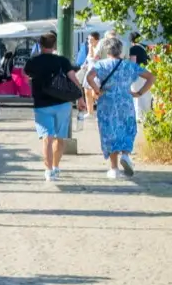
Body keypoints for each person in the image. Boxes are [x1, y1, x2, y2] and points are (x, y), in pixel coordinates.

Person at [85, 37, 155, 179]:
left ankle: (114, 168)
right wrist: (139, 93)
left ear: (107, 50)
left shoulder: (101, 65)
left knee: (109, 131)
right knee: (127, 127)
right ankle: (126, 155)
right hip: (125, 101)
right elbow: (150, 77)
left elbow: (89, 77)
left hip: (107, 103)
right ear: (121, 51)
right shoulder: (129, 66)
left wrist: (97, 90)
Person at [24, 32, 78, 181]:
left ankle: (48, 171)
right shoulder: (62, 61)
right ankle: (56, 166)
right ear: (54, 45)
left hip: (42, 104)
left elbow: (26, 75)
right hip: (62, 103)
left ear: (40, 45)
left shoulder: (33, 62)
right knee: (59, 138)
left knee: (47, 138)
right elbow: (73, 77)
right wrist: (80, 96)